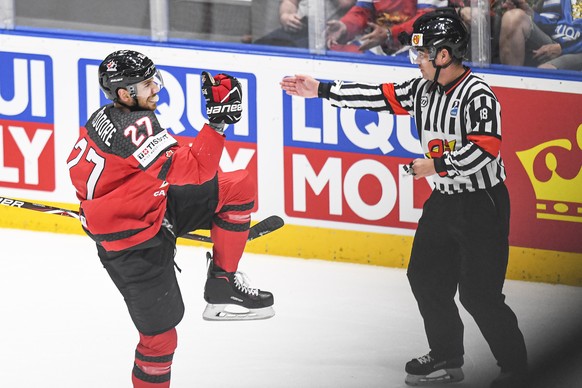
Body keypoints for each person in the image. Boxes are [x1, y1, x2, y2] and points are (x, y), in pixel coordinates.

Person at [281, 9, 528, 388]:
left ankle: (517, 368)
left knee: (479, 296)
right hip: (443, 203)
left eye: (424, 54)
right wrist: (322, 90)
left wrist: (435, 165)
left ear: (445, 55)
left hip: (483, 205)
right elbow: (377, 96)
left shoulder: (478, 94)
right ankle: (447, 356)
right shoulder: (422, 90)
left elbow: (486, 150)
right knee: (425, 279)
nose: (418, 61)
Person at [67, 50, 274, 387]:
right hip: (133, 249)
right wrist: (218, 123)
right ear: (124, 93)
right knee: (160, 341)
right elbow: (196, 170)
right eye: (147, 84)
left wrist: (106, 207)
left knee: (238, 186)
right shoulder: (136, 128)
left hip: (151, 209)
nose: (156, 88)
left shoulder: (104, 116)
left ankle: (222, 283)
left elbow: (85, 174)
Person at [499, 0, 582, 70]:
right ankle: (512, 84)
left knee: (544, 72)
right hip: (555, 42)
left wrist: (562, 48)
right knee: (513, 18)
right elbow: (551, 25)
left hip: (577, 51)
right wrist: (529, 13)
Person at [254, 0, 355, 48]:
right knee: (261, 46)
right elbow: (289, 2)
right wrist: (286, 16)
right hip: (299, 27)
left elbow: (346, 2)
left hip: (328, 34)